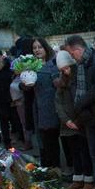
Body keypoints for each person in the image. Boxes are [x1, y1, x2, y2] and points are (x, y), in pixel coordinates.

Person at [64, 35, 95, 189]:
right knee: (93, 151)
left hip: (94, 113)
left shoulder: (94, 62)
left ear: (78, 49)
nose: (72, 57)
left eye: (72, 54)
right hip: (86, 114)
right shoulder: (81, 64)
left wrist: (81, 102)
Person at [55, 50, 95, 189]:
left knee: (85, 152)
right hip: (68, 124)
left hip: (80, 121)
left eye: (67, 68)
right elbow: (58, 103)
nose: (66, 72)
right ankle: (77, 177)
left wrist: (77, 120)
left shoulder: (80, 79)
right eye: (62, 70)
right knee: (74, 152)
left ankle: (89, 179)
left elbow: (82, 99)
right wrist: (66, 120)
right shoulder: (61, 83)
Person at [31, 38, 64, 170]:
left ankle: (55, 171)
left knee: (51, 141)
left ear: (46, 48)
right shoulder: (31, 65)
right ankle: (46, 170)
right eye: (34, 48)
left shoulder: (53, 64)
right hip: (38, 107)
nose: (37, 50)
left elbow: (59, 85)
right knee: (42, 141)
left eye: (40, 47)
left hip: (52, 107)